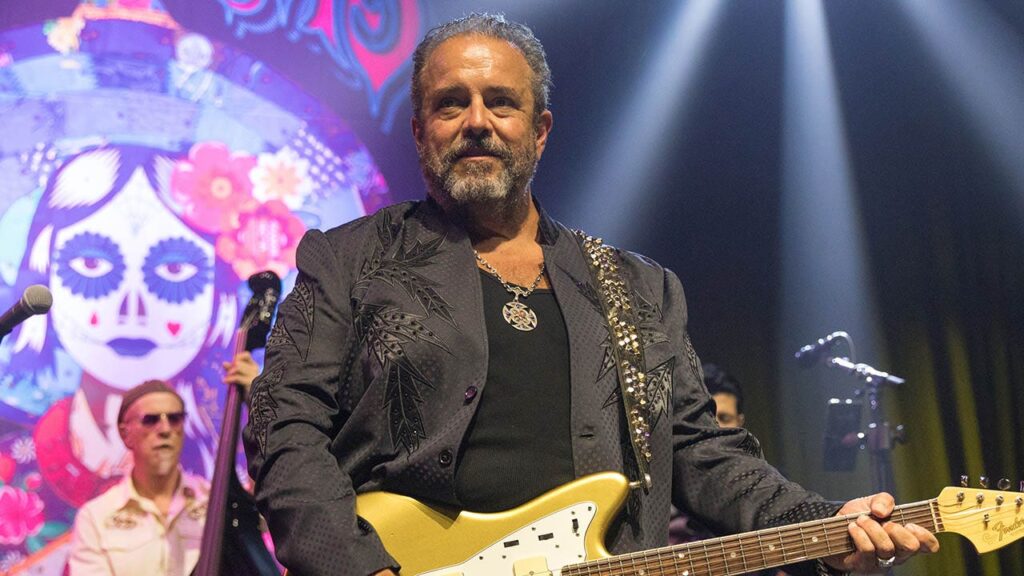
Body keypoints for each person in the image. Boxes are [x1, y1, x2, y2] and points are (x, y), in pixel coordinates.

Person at [242, 13, 939, 576]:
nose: (477, 120)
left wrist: (822, 526)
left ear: (540, 131)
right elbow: (283, 428)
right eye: (451, 103)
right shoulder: (348, 259)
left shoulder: (639, 287)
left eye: (501, 102)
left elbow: (702, 453)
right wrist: (362, 569)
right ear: (421, 132)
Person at [67, 354, 259, 576]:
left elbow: (264, 513)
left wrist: (256, 400)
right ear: (125, 433)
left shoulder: (218, 503)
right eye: (150, 420)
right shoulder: (96, 518)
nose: (165, 429)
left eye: (175, 418)